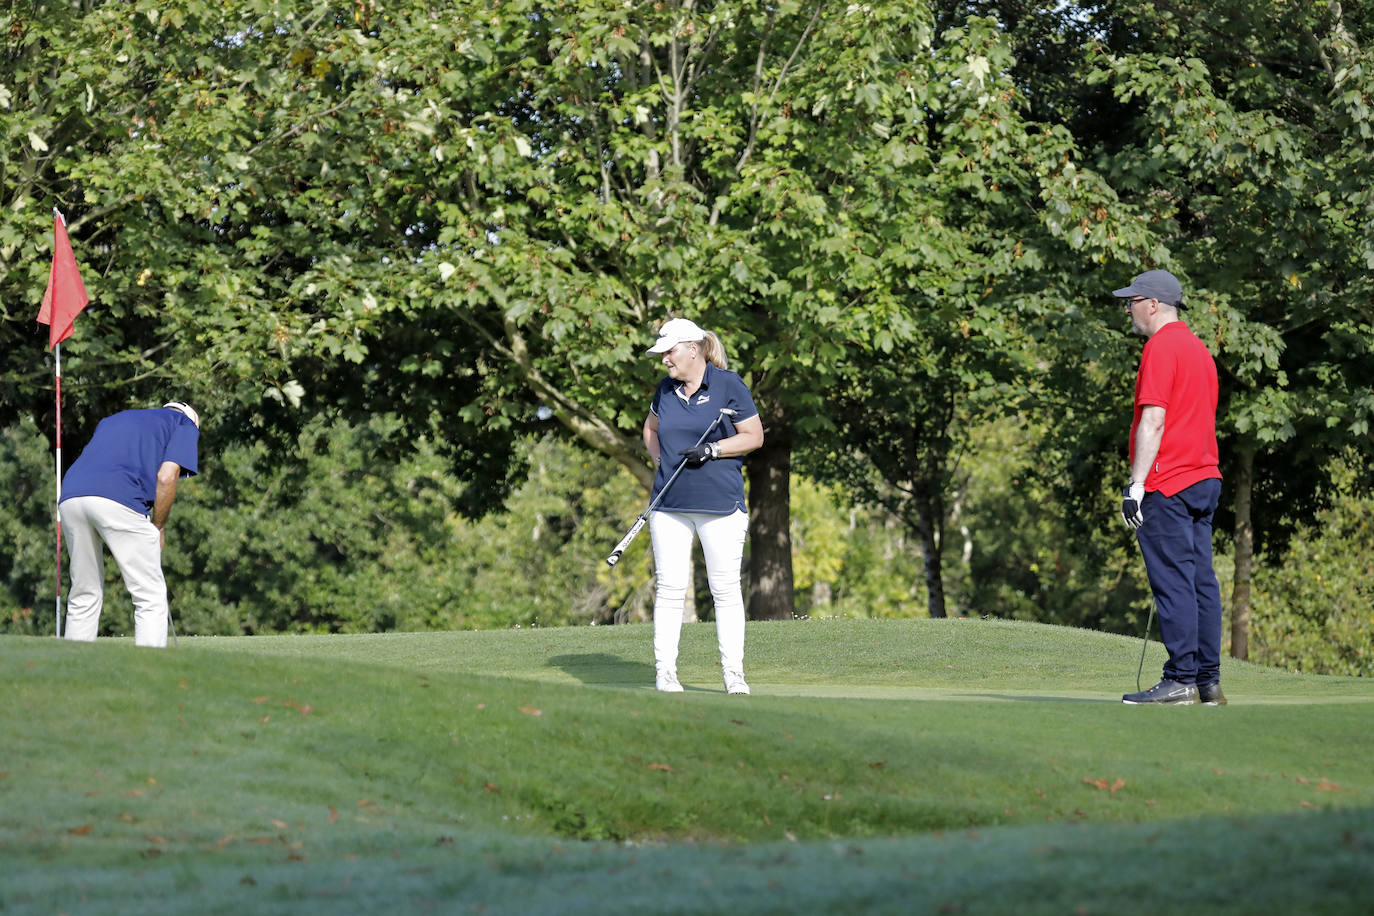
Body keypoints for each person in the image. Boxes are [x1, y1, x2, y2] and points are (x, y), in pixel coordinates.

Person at [1113, 270, 1225, 705]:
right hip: (1205, 479)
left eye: (1133, 300)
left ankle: (1180, 679)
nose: (1129, 308)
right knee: (1201, 582)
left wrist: (1136, 486)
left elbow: (1154, 419)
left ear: (1154, 304)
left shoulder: (1161, 347)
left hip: (1169, 481)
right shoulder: (1199, 349)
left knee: (1174, 582)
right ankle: (1206, 681)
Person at [642, 318, 764, 694]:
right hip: (670, 505)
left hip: (721, 506)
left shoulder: (730, 385)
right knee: (670, 588)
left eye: (669, 351)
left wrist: (712, 449)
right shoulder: (665, 389)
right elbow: (650, 430)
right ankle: (666, 673)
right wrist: (663, 463)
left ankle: (733, 674)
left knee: (724, 589)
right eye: (662, 352)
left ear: (692, 349)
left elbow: (754, 437)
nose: (664, 359)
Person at [59, 401, 201, 648]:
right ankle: (149, 670)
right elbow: (167, 477)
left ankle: (74, 668)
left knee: (84, 591)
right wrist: (158, 527)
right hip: (119, 496)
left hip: (71, 496)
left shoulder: (116, 418)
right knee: (150, 594)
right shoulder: (184, 423)